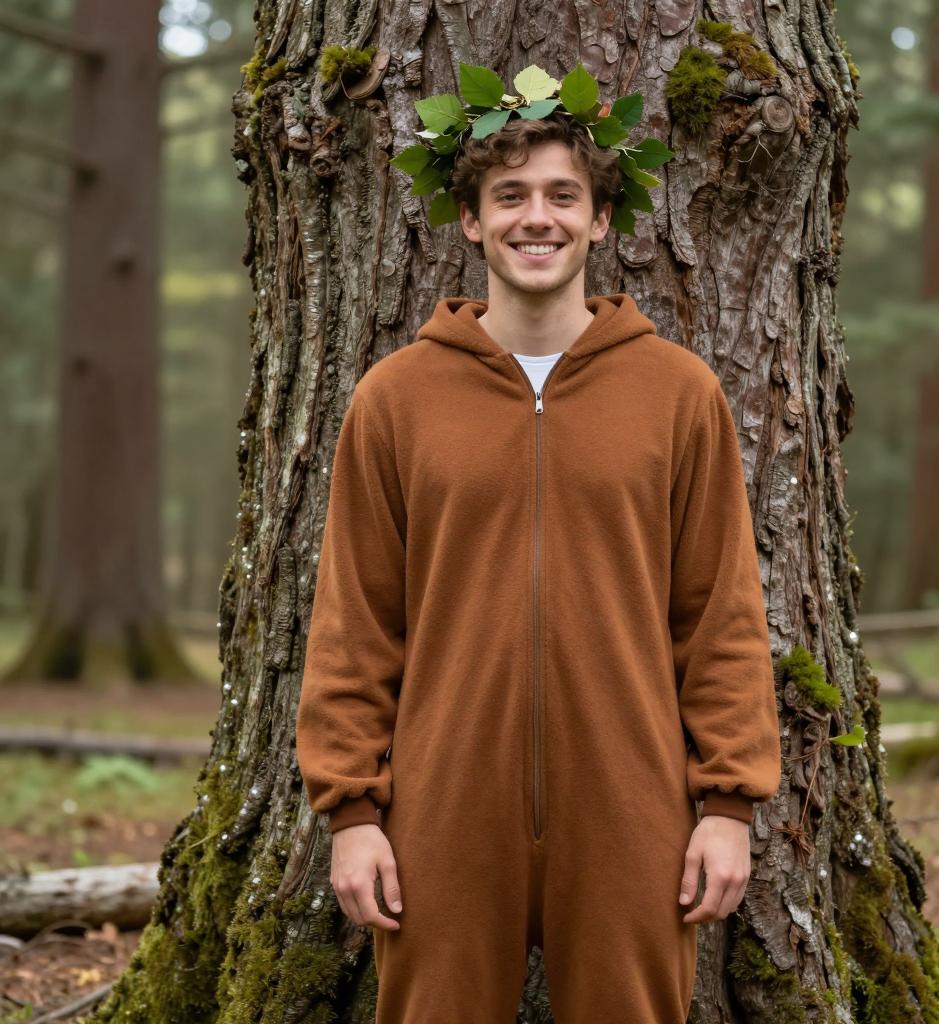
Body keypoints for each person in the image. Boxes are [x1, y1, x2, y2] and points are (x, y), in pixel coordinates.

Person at [296, 63, 782, 1024]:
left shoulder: (679, 395)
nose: (538, 218)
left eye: (565, 196)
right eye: (509, 196)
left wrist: (727, 803)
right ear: (470, 220)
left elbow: (720, 612)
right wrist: (351, 814)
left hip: (632, 803)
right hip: (440, 808)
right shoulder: (394, 400)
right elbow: (357, 622)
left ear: (603, 219)